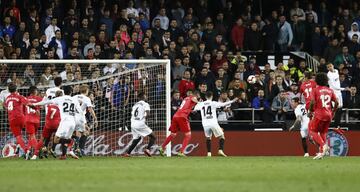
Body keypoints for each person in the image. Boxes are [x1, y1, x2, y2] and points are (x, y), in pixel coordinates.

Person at [33, 86, 83, 160]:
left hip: (63, 122)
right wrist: (82, 122)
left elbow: (46, 102)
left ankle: (72, 141)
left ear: (64, 92)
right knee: (65, 139)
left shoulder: (60, 100)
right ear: (71, 92)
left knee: (56, 139)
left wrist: (34, 104)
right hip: (73, 122)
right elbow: (80, 112)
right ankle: (64, 154)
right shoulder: (74, 100)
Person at [194, 91, 238, 157]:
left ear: (205, 97)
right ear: (211, 96)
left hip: (205, 123)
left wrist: (197, 102)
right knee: (222, 136)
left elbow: (194, 110)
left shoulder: (201, 104)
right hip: (213, 122)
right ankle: (220, 150)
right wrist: (232, 101)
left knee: (208, 137)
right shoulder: (213, 103)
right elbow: (223, 104)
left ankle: (209, 153)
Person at [159, 89, 199, 157]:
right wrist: (200, 102)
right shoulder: (193, 97)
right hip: (182, 117)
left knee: (173, 134)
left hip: (176, 116)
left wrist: (191, 110)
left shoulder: (185, 99)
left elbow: (185, 107)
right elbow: (195, 100)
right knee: (188, 135)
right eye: (198, 96)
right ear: (197, 94)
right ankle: (181, 152)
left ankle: (162, 147)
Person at [309, 73, 338, 160]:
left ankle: (324, 145)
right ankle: (321, 153)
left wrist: (311, 111)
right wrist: (333, 112)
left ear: (317, 80)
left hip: (319, 114)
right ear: (326, 81)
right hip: (329, 114)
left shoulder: (315, 90)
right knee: (323, 132)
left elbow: (313, 102)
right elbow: (336, 102)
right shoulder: (330, 90)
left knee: (312, 131)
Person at [123, 92, 156, 157]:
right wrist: (146, 117)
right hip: (140, 123)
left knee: (137, 139)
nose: (146, 97)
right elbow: (148, 114)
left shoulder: (135, 105)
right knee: (153, 137)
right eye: (145, 96)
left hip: (133, 123)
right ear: (144, 97)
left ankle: (128, 153)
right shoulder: (145, 104)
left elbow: (132, 114)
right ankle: (147, 150)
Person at [4, 83, 31, 159]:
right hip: (22, 118)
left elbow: (6, 107)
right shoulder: (19, 96)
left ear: (9, 90)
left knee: (18, 136)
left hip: (12, 119)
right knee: (30, 134)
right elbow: (27, 103)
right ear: (16, 89)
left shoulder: (7, 98)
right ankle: (20, 146)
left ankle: (26, 151)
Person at [72, 85, 98, 157]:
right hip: (80, 117)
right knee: (85, 132)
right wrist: (95, 118)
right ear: (86, 91)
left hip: (72, 116)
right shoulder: (86, 98)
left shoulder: (74, 97)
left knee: (82, 132)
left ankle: (76, 148)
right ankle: (77, 149)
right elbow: (90, 109)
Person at [37, 91, 62, 159]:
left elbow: (44, 109)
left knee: (46, 137)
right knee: (58, 136)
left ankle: (43, 149)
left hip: (48, 123)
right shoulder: (60, 106)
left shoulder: (50, 104)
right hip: (56, 124)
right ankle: (52, 149)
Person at [327, 63, 349, 128]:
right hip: (334, 93)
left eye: (330, 66)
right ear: (327, 69)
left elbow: (337, 83)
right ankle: (335, 125)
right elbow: (333, 86)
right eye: (328, 67)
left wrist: (341, 89)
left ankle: (337, 125)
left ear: (333, 66)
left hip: (339, 92)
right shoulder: (329, 75)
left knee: (340, 108)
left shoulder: (336, 71)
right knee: (336, 109)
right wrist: (344, 89)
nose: (330, 68)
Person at [25, 86, 43, 160]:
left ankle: (37, 151)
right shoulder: (39, 99)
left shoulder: (25, 99)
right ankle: (28, 151)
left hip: (28, 120)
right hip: (36, 120)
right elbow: (42, 107)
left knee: (32, 136)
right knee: (32, 136)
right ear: (35, 91)